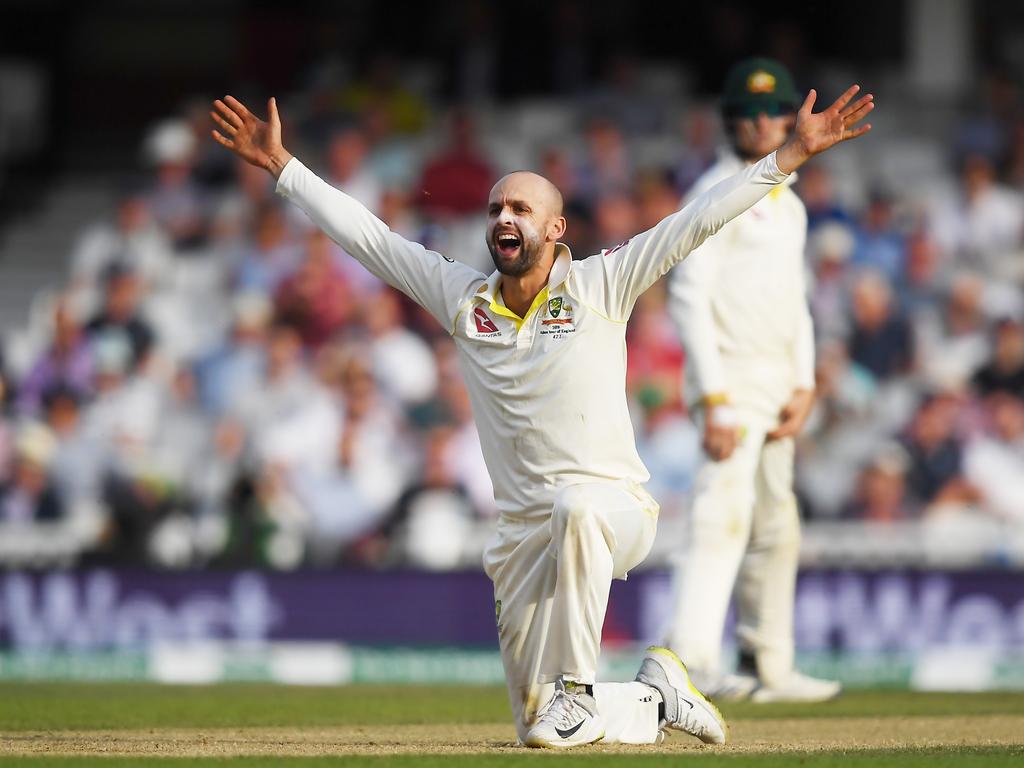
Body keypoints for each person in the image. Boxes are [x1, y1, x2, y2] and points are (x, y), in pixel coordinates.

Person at [210, 82, 872, 747]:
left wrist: (788, 156)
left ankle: (581, 692)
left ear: (556, 229)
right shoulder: (461, 298)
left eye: (522, 208)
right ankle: (654, 693)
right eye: (497, 207)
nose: (505, 217)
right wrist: (283, 168)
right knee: (535, 729)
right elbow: (372, 240)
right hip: (521, 532)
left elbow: (696, 220)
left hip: (612, 510)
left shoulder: (601, 283)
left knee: (576, 512)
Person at [664, 58, 843, 703]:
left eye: (775, 111)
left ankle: (769, 665)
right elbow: (689, 296)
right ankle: (688, 664)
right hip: (730, 383)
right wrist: (712, 395)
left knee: (777, 524)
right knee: (720, 517)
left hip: (776, 387)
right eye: (751, 112)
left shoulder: (788, 205)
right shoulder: (716, 191)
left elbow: (794, 302)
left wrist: (804, 384)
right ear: (731, 121)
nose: (765, 121)